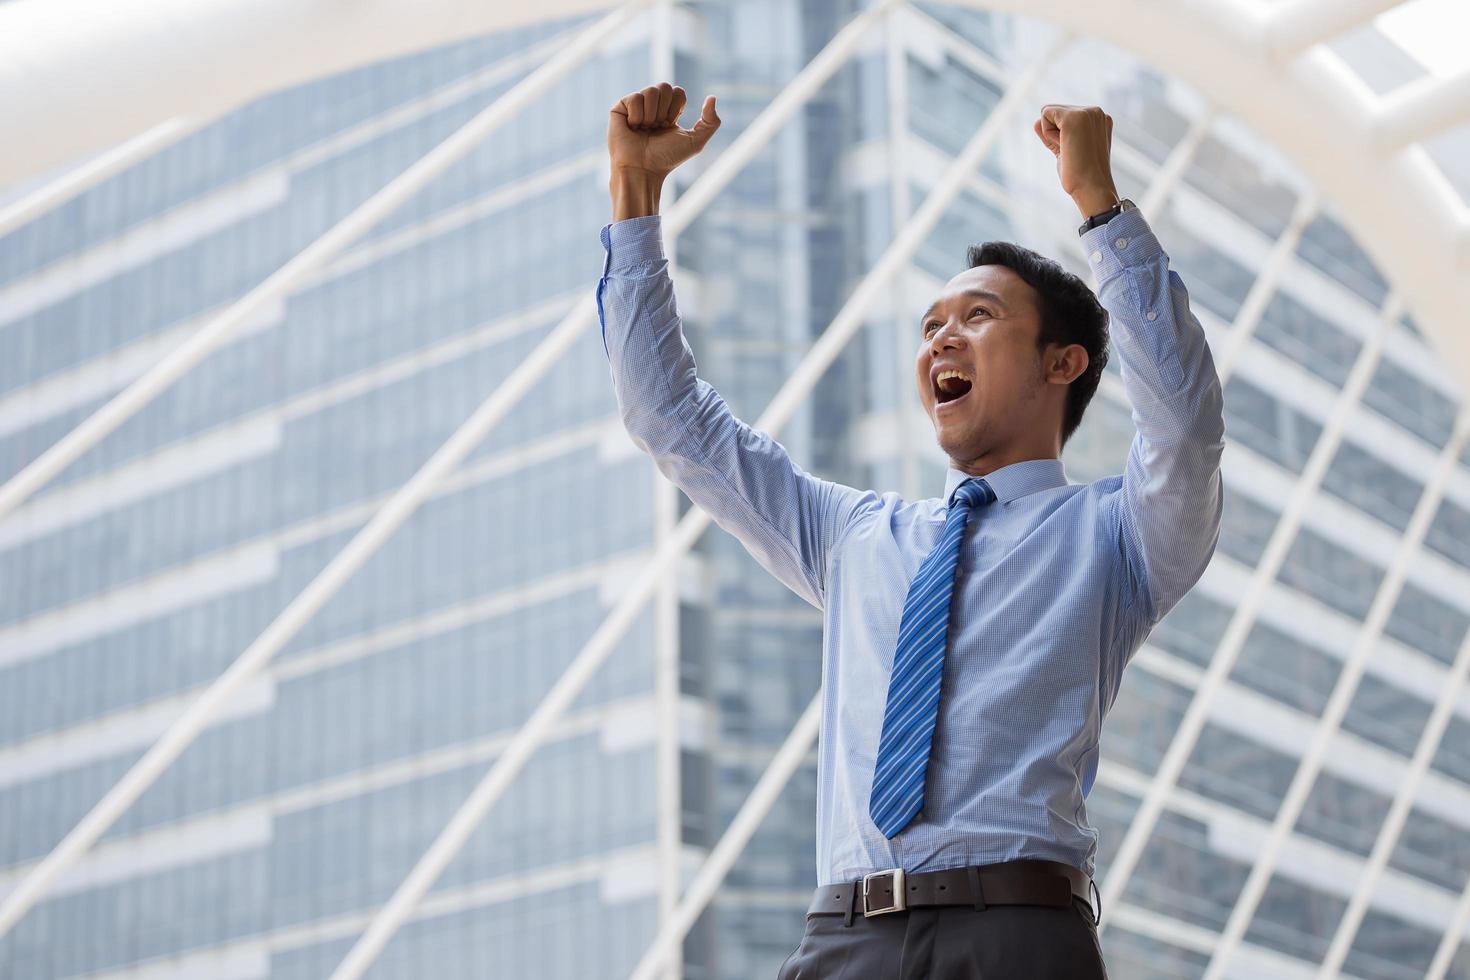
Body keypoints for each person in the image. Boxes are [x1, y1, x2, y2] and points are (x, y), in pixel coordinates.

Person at [597, 82, 1224, 979]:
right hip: (843, 938)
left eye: (978, 317)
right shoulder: (853, 535)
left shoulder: (1119, 536)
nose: (941, 341)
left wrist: (1100, 207)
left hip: (1018, 933)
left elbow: (1185, 429)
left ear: (1064, 363)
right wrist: (634, 197)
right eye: (930, 326)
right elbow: (671, 420)